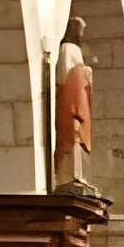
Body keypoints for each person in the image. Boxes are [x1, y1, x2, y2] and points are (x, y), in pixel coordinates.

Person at [53, 16, 98, 196]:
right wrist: (84, 72)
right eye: (79, 31)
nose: (81, 36)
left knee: (78, 138)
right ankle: (68, 177)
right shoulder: (67, 48)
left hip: (79, 99)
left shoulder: (75, 50)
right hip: (71, 100)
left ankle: (78, 176)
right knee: (71, 137)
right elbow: (65, 75)